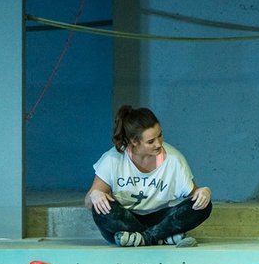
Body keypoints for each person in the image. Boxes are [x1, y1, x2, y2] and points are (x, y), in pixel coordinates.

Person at [85, 105, 211, 247]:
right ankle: (161, 238)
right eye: (151, 141)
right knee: (100, 207)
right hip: (125, 220)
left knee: (204, 206)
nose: (158, 144)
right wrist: (95, 195)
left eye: (160, 135)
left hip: (161, 220)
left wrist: (203, 193)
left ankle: (142, 238)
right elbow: (89, 202)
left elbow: (193, 196)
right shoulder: (113, 159)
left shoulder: (174, 159)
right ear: (134, 141)